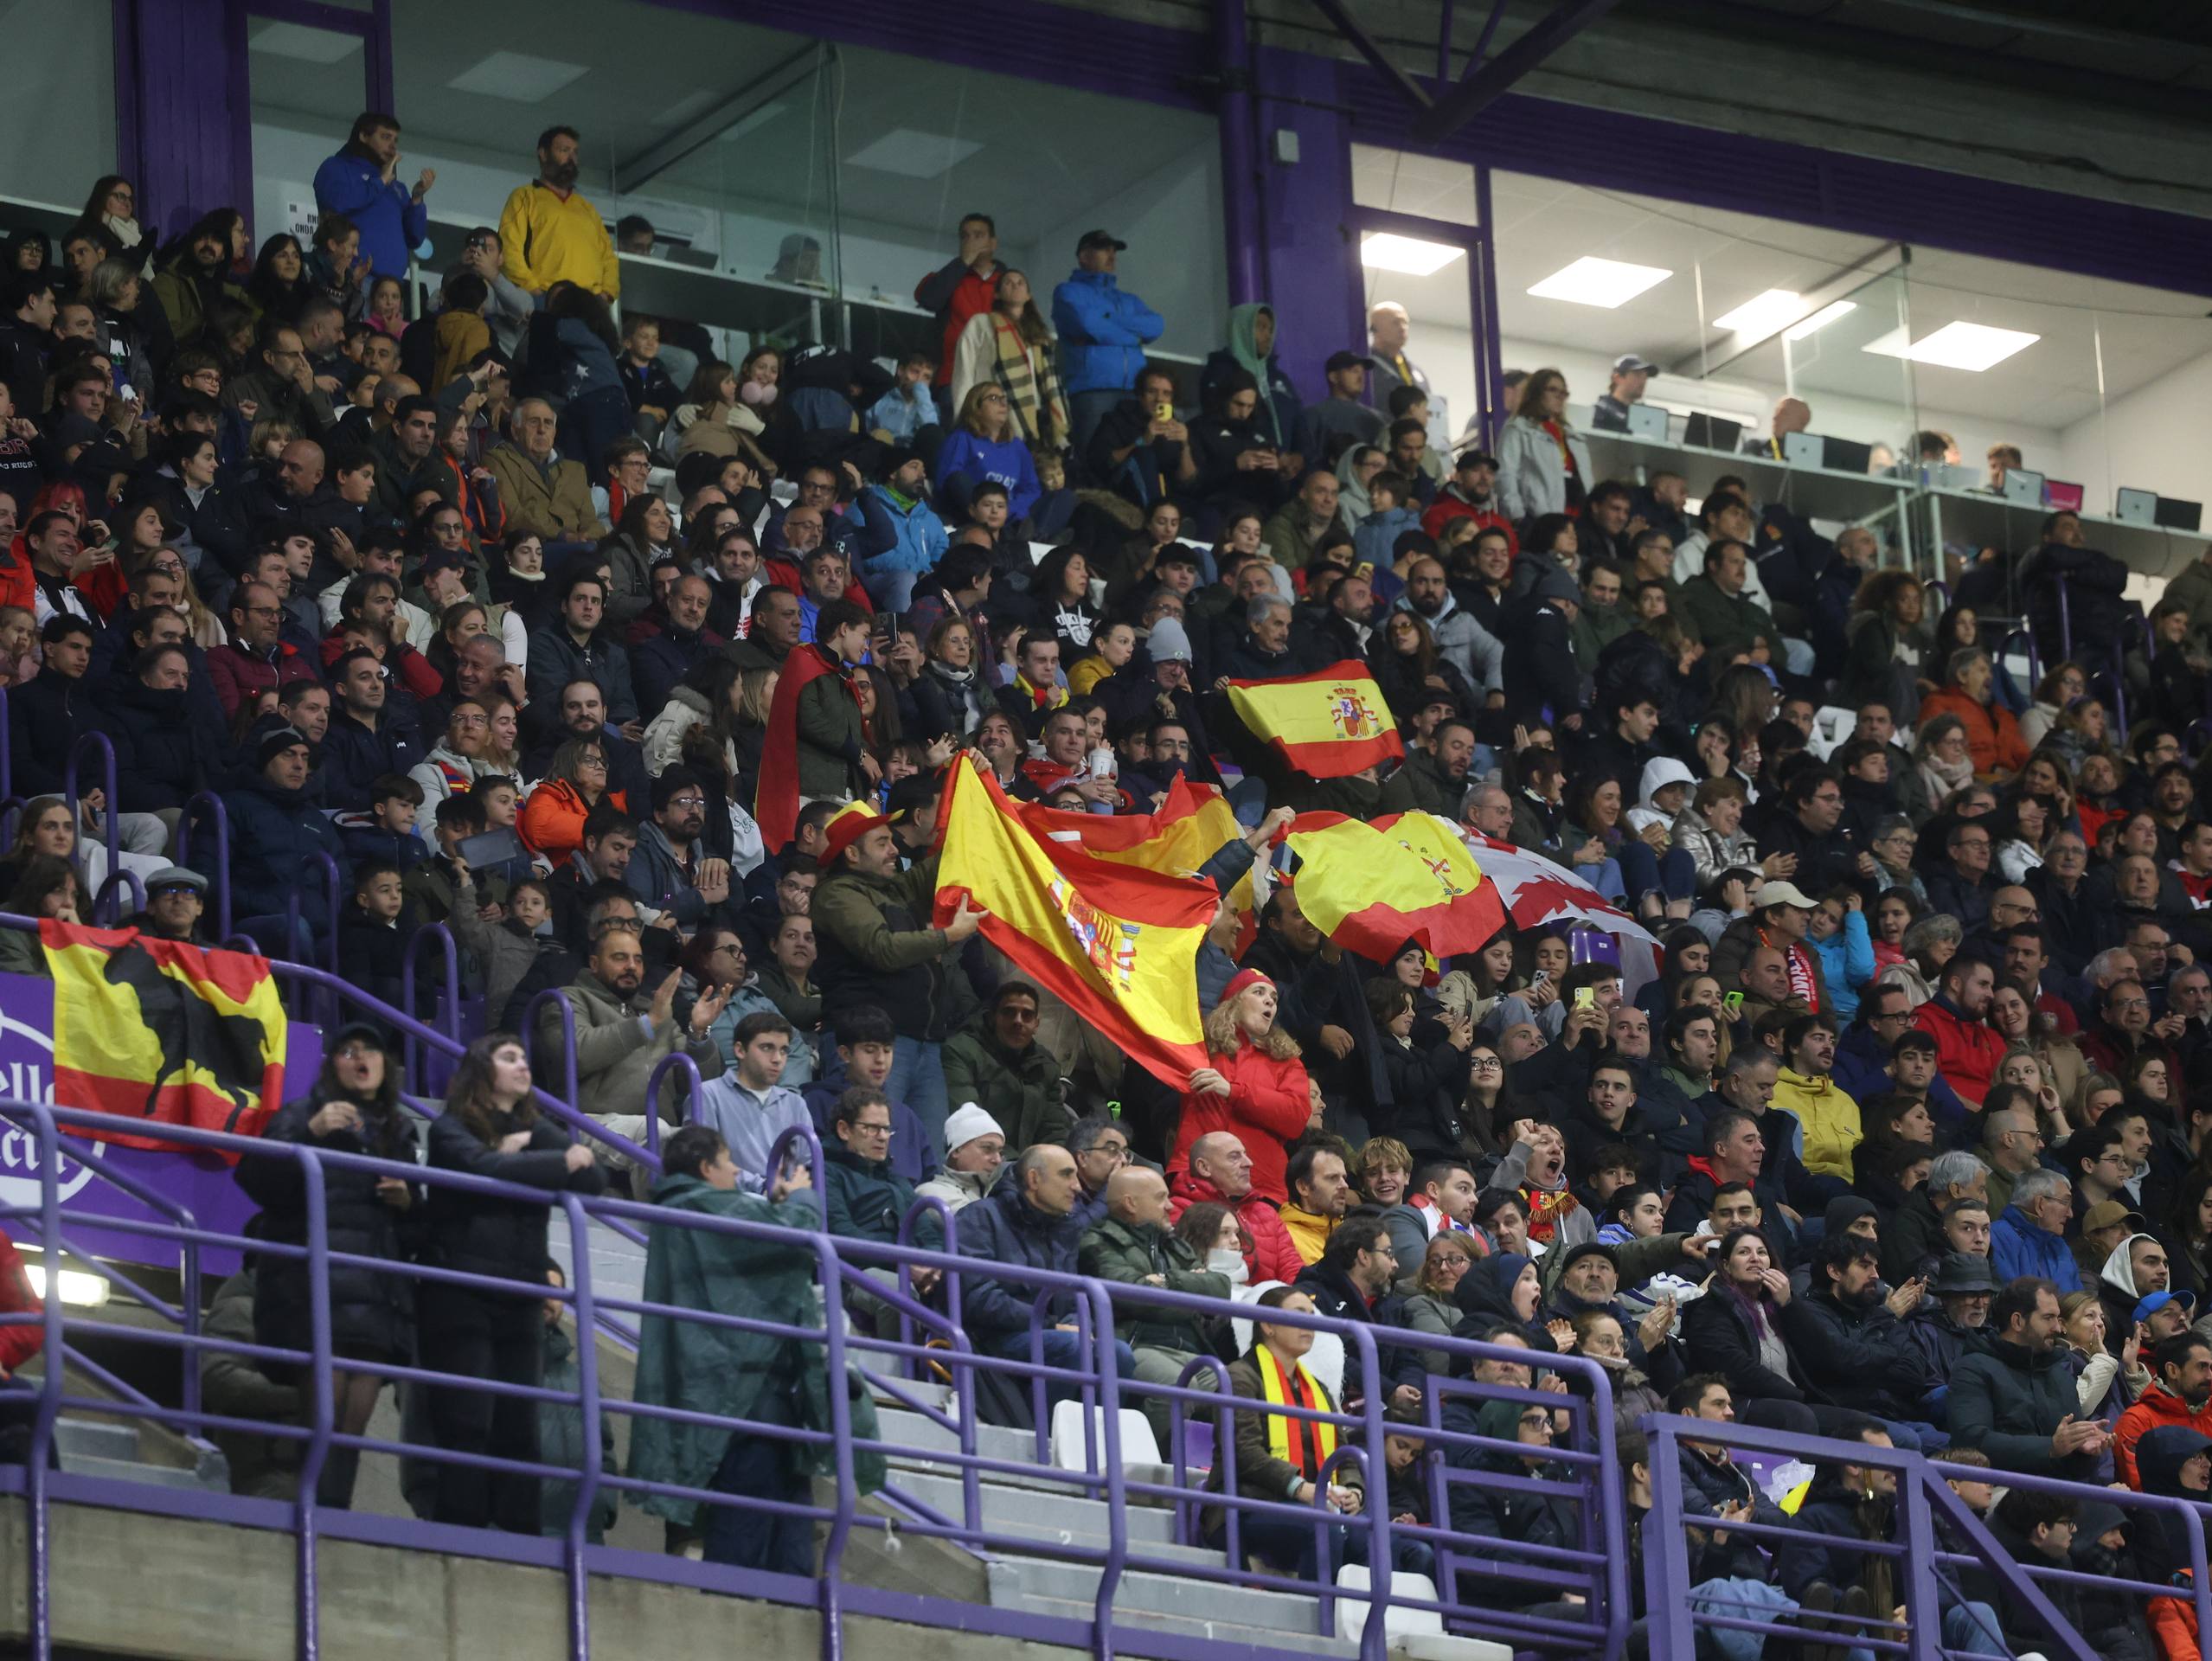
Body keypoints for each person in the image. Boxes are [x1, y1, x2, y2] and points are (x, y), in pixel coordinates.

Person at [628, 1123, 884, 1570]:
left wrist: (776, 1206)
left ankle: (793, 1623)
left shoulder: (686, 1211)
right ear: (707, 1168)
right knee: (746, 1528)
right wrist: (802, 1196)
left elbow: (758, 1246)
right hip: (743, 1392)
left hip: (750, 1386)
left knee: (788, 1531)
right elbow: (792, 1237)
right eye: (728, 1162)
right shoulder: (698, 1204)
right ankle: (737, 1623)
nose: (736, 1171)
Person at [420, 1034, 606, 1530]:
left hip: (520, 1291)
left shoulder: (533, 1126)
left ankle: (519, 1537)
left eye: (525, 1057)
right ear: (482, 1072)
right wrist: (549, 1163)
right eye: (509, 1058)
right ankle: (459, 1532)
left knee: (520, 1427)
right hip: (462, 1289)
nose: (523, 1065)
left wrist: (530, 1149)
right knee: (468, 1420)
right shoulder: (449, 1128)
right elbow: (487, 1168)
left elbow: (591, 1179)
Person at [234, 1024, 418, 1510]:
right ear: (331, 1064)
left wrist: (408, 1200)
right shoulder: (301, 1113)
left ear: (386, 1065)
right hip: (315, 1292)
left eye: (370, 1050)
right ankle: (309, 1519)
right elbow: (254, 1178)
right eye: (347, 1050)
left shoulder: (399, 1130)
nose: (360, 1059)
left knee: (352, 1428)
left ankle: (335, 1522)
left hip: (376, 1297)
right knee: (322, 1419)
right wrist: (309, 1133)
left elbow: (420, 1233)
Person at [810, 802, 984, 1145]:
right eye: (882, 843)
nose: (894, 850)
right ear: (852, 854)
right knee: (867, 1148)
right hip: (869, 1046)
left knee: (926, 1157)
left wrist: (992, 811)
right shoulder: (836, 894)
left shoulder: (893, 890)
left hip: (924, 1043)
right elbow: (882, 948)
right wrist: (948, 936)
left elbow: (949, 859)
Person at [954, 1143, 1138, 1402]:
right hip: (992, 1338)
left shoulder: (1062, 1228)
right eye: (1066, 1174)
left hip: (1050, 1334)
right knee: (1072, 1346)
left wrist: (1078, 1324)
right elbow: (978, 1297)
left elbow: (1074, 1297)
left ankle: (1096, 1441)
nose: (1076, 1186)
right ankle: (1047, 1436)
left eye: (1076, 1175)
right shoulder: (981, 1217)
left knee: (1117, 1353)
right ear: (1033, 1179)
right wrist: (1052, 1325)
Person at [1079, 1164, 1234, 1440]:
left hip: (1192, 1348)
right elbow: (1134, 1294)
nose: (1170, 1205)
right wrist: (1188, 1288)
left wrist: (1164, 1281)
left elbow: (1220, 1288)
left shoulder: (1174, 1244)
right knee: (1180, 1386)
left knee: (1238, 1391)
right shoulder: (1098, 1241)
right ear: (1130, 1203)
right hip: (1138, 1344)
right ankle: (1158, 1468)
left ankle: (1215, 1474)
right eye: (1161, 1197)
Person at [1169, 969, 1313, 1207]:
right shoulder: (1200, 1045)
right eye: (1259, 992)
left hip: (1259, 1187)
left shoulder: (1286, 1060)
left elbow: (1296, 1116)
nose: (1270, 1001)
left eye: (1274, 998)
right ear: (1233, 1001)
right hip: (1197, 1175)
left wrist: (1233, 1092)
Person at [1948, 1274, 2111, 1479]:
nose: (2058, 1328)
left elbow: (2073, 1467)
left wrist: (2084, 1450)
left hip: (2059, 1492)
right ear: (2017, 1321)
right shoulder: (1973, 1368)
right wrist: (2049, 1448)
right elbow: (1971, 1442)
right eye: (2048, 1318)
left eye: (2058, 1318)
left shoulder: (2059, 1375)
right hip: (2001, 1486)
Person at [1052, 230, 1163, 458]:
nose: (1111, 255)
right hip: (1092, 391)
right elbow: (1085, 323)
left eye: (1114, 251)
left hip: (1134, 392)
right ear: (1084, 256)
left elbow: (1156, 326)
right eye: (1104, 249)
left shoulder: (1128, 299)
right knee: (1094, 460)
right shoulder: (1067, 292)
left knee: (1136, 457)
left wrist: (1107, 323)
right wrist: (1133, 337)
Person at [498, 125, 617, 300]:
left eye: (575, 153)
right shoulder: (524, 196)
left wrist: (606, 294)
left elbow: (608, 257)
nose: (572, 158)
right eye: (564, 150)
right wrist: (534, 292)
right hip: (547, 297)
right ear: (543, 154)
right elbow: (509, 249)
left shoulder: (587, 208)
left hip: (590, 303)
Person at [312, 112, 432, 282]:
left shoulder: (396, 187)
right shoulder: (336, 167)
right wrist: (380, 182)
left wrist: (417, 199)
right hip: (350, 278)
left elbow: (415, 238)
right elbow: (338, 203)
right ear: (363, 136)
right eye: (385, 137)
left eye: (395, 140)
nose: (392, 146)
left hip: (392, 287)